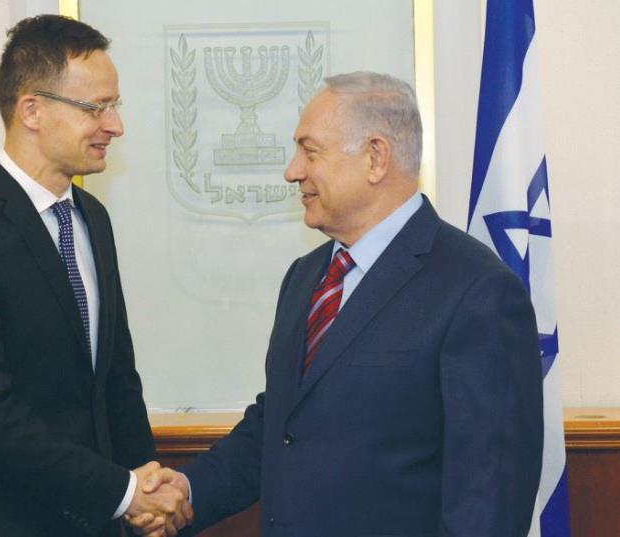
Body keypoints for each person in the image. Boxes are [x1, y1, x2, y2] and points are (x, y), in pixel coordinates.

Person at [131, 72, 543, 537]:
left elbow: (488, 499)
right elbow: (283, 425)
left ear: (375, 157)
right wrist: (187, 491)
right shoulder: (306, 277)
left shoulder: (476, 290)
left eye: (310, 151)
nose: (292, 171)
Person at [0, 15, 190, 537]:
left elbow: (117, 382)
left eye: (115, 106)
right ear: (31, 110)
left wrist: (149, 491)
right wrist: (123, 493)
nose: (115, 126)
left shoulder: (92, 219)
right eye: (95, 107)